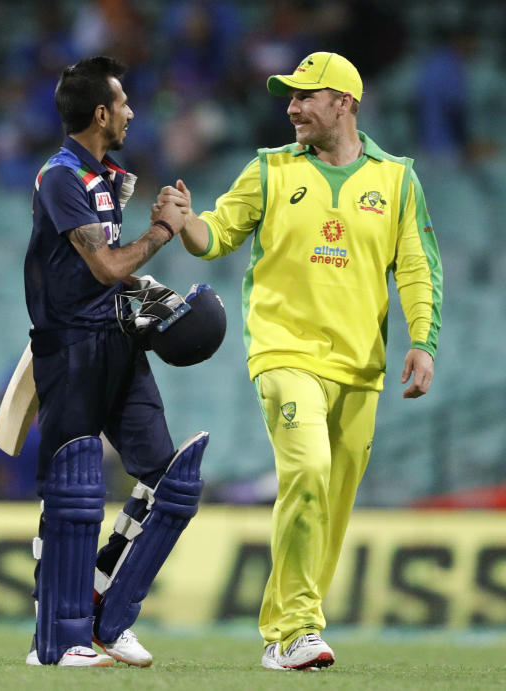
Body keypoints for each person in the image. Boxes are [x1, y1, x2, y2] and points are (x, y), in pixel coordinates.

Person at [162, 51, 443, 670]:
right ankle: (295, 630)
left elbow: (419, 268)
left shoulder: (397, 179)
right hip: (285, 353)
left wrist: (422, 340)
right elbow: (217, 237)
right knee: (309, 469)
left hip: (360, 366)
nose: (291, 107)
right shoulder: (268, 170)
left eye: (305, 96)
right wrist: (186, 225)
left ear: (345, 102)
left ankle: (286, 629)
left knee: (331, 505)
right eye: (289, 96)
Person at [23, 56, 212, 668]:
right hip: (71, 347)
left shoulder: (106, 176)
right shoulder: (62, 177)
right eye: (123, 102)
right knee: (74, 496)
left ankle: (108, 611)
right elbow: (104, 266)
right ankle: (56, 639)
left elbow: (112, 274)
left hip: (118, 340)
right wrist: (160, 232)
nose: (132, 110)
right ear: (100, 113)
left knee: (170, 483)